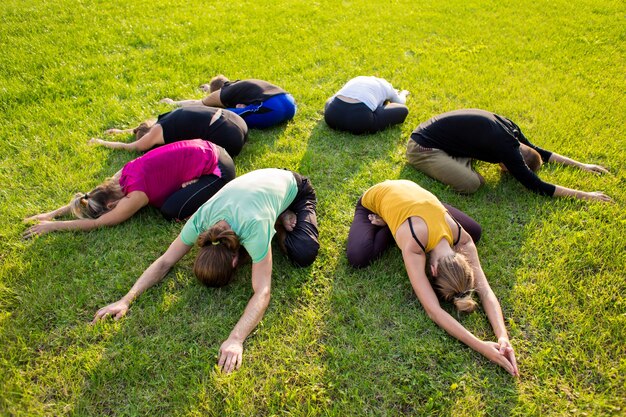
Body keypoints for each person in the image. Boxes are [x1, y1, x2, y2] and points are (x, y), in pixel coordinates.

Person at [92, 168, 320, 373]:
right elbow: (164, 262)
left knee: (303, 253)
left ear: (234, 261)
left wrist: (236, 339)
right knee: (285, 236)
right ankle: (278, 214)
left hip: (294, 184)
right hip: (259, 187)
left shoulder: (254, 228)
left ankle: (280, 218)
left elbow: (263, 291)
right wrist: (126, 299)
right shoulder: (201, 220)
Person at [346, 180, 519, 376]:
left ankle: (407, 214)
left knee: (476, 231)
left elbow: (486, 291)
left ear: (463, 258)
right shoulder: (414, 243)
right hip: (377, 195)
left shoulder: (463, 239)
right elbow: (433, 311)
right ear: (434, 270)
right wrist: (480, 346)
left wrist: (503, 336)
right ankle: (388, 220)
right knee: (358, 256)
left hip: (417, 199)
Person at [23, 140, 235, 238]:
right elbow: (87, 197)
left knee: (171, 211)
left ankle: (213, 194)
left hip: (220, 168)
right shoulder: (123, 173)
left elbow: (96, 223)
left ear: (112, 204)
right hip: (208, 146)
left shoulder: (136, 196)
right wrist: (51, 214)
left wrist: (52, 226)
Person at [406, 109, 611, 202]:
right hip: (421, 147)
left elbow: (540, 153)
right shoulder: (505, 149)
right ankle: (452, 163)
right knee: (473, 183)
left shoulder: (510, 128)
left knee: (472, 156)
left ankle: (455, 160)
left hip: (433, 131)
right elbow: (538, 186)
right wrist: (587, 196)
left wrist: (583, 165)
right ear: (507, 166)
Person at [89, 106, 248, 157]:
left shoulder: (156, 133)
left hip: (230, 138)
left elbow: (134, 147)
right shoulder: (168, 117)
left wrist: (102, 142)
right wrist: (121, 130)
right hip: (237, 121)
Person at [160, 75, 296, 129]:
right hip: (290, 103)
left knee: (218, 114)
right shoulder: (238, 85)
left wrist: (173, 103)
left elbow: (200, 104)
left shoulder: (222, 94)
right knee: (240, 110)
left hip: (271, 109)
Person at [324, 76, 409, 134]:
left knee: (331, 101)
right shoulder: (387, 86)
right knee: (403, 110)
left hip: (332, 116)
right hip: (360, 121)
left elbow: (334, 98)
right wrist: (403, 94)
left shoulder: (357, 79)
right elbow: (400, 102)